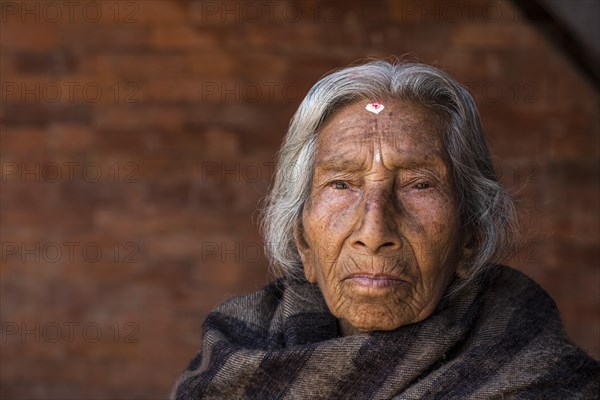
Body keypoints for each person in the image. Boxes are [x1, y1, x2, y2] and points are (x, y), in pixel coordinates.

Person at [172, 60, 599, 399]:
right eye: (341, 184)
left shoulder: (547, 381)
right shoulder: (228, 367)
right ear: (302, 240)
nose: (374, 231)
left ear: (472, 236)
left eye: (419, 184)